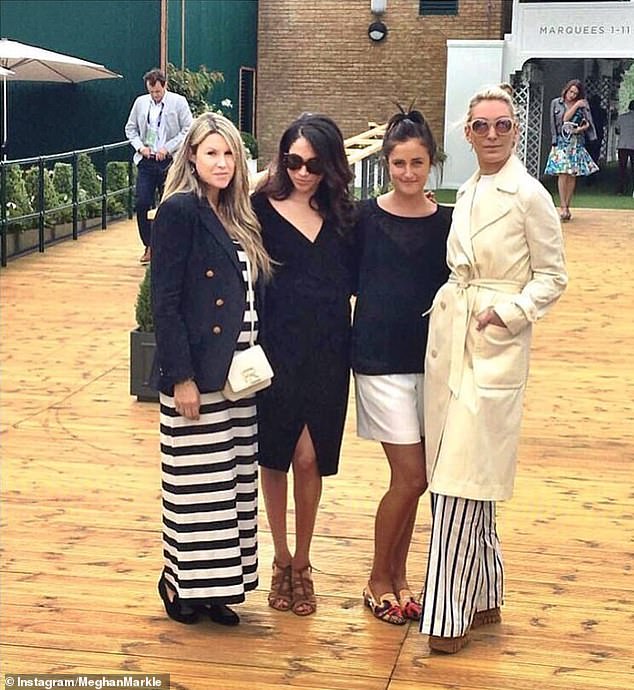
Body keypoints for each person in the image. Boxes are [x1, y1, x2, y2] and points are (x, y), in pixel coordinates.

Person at [420, 85, 567, 653]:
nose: (491, 135)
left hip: (493, 341)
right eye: (480, 126)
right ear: (467, 133)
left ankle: (446, 616)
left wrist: (509, 313)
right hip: (452, 333)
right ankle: (485, 596)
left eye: (502, 126)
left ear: (516, 130)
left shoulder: (529, 195)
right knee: (461, 477)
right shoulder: (469, 189)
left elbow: (553, 276)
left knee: (460, 478)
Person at [150, 112, 272, 626]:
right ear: (193, 158)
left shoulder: (237, 212)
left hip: (238, 377)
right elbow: (166, 298)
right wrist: (181, 377)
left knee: (231, 486)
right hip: (198, 376)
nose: (222, 163)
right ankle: (180, 587)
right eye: (212, 153)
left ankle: (216, 589)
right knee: (193, 487)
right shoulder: (180, 210)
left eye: (229, 154)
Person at [251, 113, 356, 617]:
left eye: (314, 163)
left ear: (330, 164)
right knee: (276, 454)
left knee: (310, 458)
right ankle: (281, 559)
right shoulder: (258, 208)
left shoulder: (345, 217)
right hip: (274, 350)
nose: (303, 172)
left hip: (330, 351)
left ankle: (305, 562)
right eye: (293, 161)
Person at [351, 109, 451, 626]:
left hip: (431, 366)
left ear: (432, 163)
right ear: (386, 163)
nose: (408, 173)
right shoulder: (363, 218)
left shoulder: (448, 222)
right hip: (378, 362)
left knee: (420, 477)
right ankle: (375, 579)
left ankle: (401, 578)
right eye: (398, 163)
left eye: (417, 163)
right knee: (411, 477)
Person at [125, 68, 193, 264]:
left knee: (169, 205)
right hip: (146, 161)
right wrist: (140, 147)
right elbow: (130, 128)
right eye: (151, 91)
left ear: (164, 86)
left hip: (169, 162)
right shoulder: (140, 103)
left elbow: (188, 130)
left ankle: (169, 247)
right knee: (142, 203)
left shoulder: (178, 102)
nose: (154, 95)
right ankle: (149, 245)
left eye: (157, 91)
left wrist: (168, 148)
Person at [544, 79, 598, 222]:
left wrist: (583, 129)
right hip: (561, 142)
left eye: (576, 93)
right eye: (571, 91)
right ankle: (563, 207)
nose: (572, 95)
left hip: (576, 142)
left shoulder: (582, 106)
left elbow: (588, 122)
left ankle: (567, 205)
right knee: (562, 173)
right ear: (566, 90)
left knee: (572, 174)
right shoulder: (556, 103)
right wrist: (554, 140)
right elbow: (562, 119)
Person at [615, 100, 634, 195]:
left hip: (623, 145)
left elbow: (617, 131)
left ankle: (620, 190)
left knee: (622, 168)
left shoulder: (621, 118)